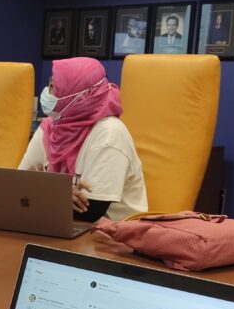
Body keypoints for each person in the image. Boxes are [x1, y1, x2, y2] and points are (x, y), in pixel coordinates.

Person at [19, 57, 147, 222]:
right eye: (50, 84)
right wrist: (56, 193)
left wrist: (42, 190)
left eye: (55, 87)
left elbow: (90, 211)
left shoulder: (110, 135)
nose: (48, 91)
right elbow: (18, 186)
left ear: (79, 96)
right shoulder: (50, 127)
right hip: (56, 226)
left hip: (112, 236)